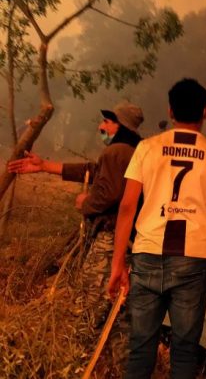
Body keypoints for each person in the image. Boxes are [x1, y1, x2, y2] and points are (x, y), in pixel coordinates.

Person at [107, 78, 206, 379]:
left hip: (147, 253)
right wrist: (205, 256)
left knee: (141, 349)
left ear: (170, 110)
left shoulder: (147, 148)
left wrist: (117, 263)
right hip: (193, 259)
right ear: (205, 112)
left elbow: (126, 206)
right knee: (185, 351)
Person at [8, 101, 144, 321]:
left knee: (92, 296)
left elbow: (108, 194)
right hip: (128, 238)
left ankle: (87, 342)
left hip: (111, 237)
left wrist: (86, 203)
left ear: (122, 126)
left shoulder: (116, 151)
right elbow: (94, 171)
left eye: (107, 122)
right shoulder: (132, 151)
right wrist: (44, 166)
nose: (101, 126)